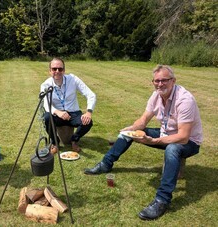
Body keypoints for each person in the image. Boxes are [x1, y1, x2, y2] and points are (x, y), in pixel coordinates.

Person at [84, 65, 203, 220]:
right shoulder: (156, 95)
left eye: (164, 80)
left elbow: (183, 137)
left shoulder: (184, 100)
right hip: (165, 133)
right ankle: (105, 164)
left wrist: (154, 141)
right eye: (156, 81)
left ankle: (162, 200)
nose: (160, 84)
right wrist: (131, 130)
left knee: (173, 149)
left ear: (173, 81)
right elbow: (143, 120)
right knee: (128, 134)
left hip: (189, 142)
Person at [40, 58, 96, 153]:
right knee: (46, 118)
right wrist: (58, 112)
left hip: (73, 113)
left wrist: (89, 112)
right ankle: (55, 142)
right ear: (50, 71)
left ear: (64, 70)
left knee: (88, 122)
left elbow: (91, 95)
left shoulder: (73, 79)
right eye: (54, 69)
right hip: (57, 115)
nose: (57, 71)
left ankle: (74, 140)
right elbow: (46, 103)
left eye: (60, 69)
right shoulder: (45, 85)